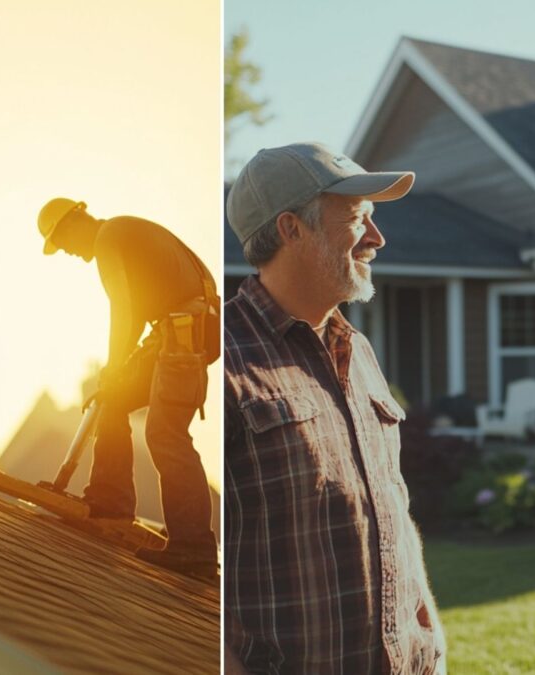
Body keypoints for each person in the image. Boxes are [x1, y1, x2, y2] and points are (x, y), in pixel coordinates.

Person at [224, 142, 445, 674]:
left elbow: (391, 500)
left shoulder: (359, 350)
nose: (377, 238)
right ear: (291, 229)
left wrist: (431, 642)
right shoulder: (221, 356)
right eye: (357, 219)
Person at [37, 198, 219, 578]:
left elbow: (122, 307)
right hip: (183, 331)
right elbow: (137, 310)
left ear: (75, 221)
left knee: (166, 434)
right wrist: (115, 375)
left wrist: (112, 365)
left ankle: (194, 548)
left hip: (183, 334)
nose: (70, 253)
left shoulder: (109, 237)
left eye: (64, 242)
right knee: (113, 398)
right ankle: (111, 498)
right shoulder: (126, 232)